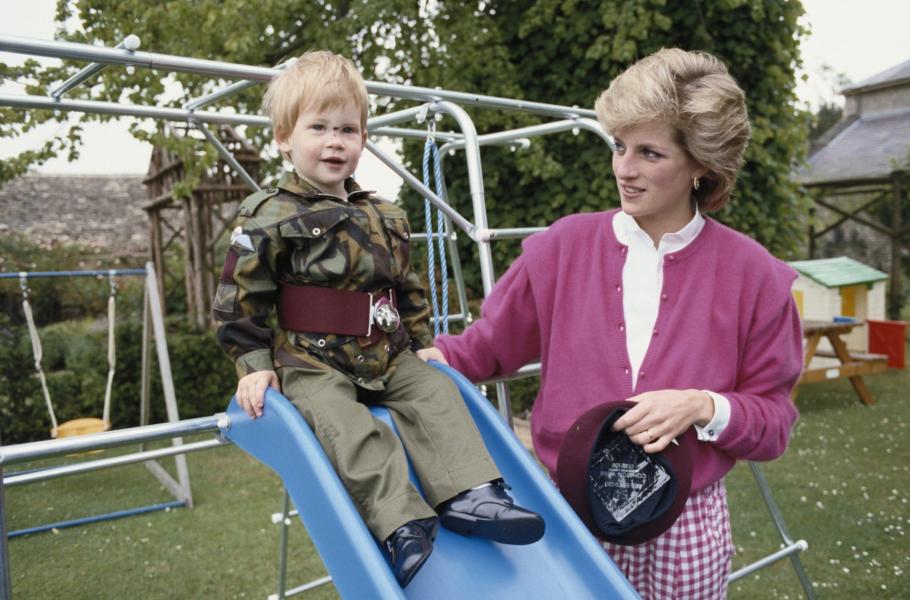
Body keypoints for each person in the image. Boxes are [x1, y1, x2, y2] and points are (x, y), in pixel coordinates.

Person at [419, 48, 803, 598]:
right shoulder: (559, 249)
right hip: (566, 511)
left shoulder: (757, 279)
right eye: (620, 146)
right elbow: (484, 349)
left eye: (650, 152)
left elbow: (773, 422)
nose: (624, 168)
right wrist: (426, 362)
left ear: (700, 163)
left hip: (686, 525)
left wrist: (701, 405)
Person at [212, 50, 544, 588]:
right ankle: (400, 522)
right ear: (283, 137)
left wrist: (421, 342)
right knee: (344, 423)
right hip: (312, 361)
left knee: (437, 392)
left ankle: (472, 495)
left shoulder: (387, 214)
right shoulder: (267, 214)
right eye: (318, 127)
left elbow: (407, 289)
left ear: (363, 138)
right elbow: (238, 297)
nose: (335, 141)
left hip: (386, 352)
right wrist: (252, 364)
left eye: (348, 128)